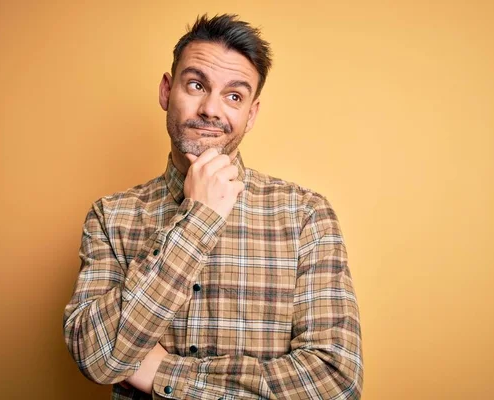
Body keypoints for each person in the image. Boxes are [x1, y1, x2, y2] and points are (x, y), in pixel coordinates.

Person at [63, 14, 363, 399]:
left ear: (250, 114)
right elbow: (97, 356)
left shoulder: (305, 215)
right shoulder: (110, 217)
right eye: (196, 85)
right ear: (166, 91)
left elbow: (336, 383)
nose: (210, 109)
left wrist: (160, 372)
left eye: (234, 96)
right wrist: (198, 219)